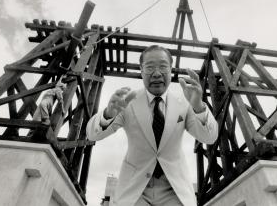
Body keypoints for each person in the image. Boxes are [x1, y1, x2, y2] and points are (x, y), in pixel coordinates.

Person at [86, 45, 218, 206]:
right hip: (135, 188)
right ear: (141, 70)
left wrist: (198, 106)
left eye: (163, 66)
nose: (156, 73)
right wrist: (108, 113)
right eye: (149, 67)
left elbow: (209, 138)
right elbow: (92, 135)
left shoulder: (185, 102)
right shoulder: (126, 102)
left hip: (174, 189)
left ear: (171, 70)